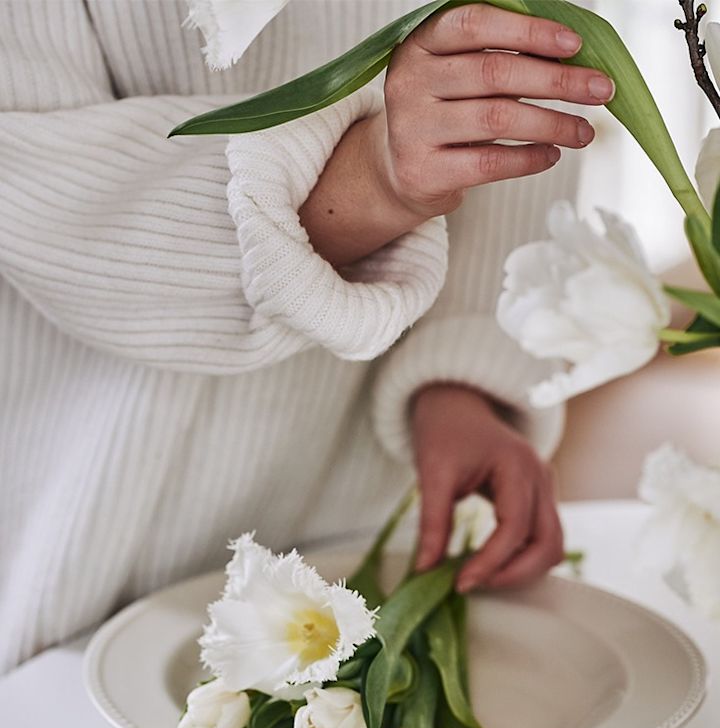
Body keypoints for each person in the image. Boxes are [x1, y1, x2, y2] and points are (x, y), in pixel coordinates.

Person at [0, 0, 610, 675]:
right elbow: (28, 177)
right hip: (73, 541)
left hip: (349, 523)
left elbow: (497, 95)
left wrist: (458, 376)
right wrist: (366, 181)